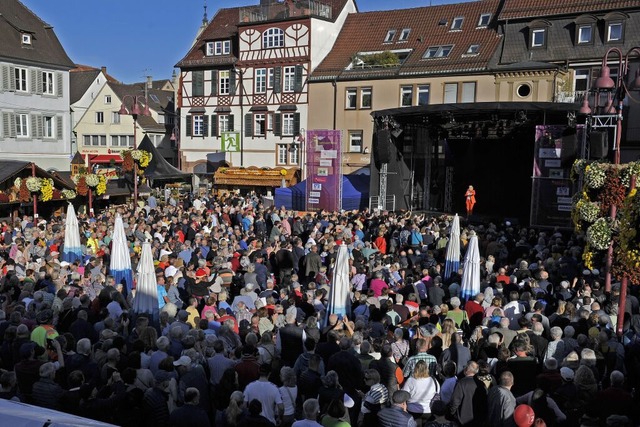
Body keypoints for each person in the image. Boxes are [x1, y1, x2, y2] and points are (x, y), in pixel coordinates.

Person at [401, 360, 439, 427]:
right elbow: (438, 392)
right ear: (427, 369)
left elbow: (404, 394)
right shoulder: (433, 380)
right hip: (428, 410)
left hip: (412, 410)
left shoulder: (410, 380)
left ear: (416, 369)